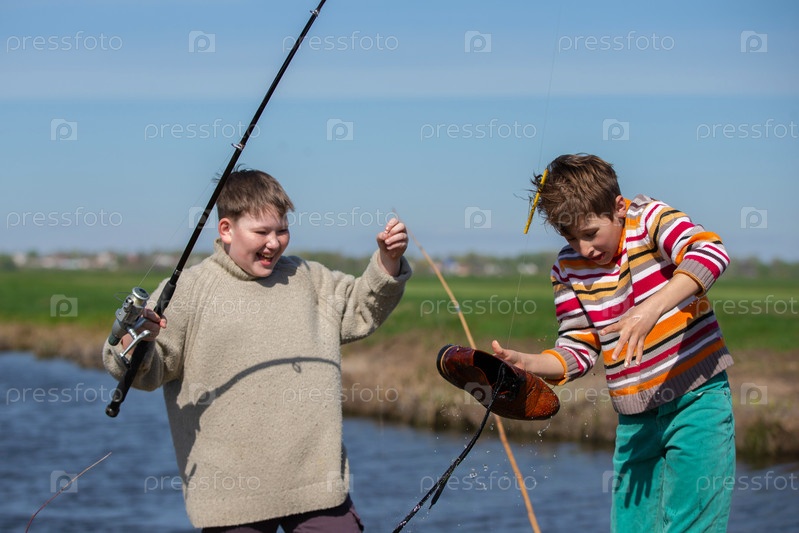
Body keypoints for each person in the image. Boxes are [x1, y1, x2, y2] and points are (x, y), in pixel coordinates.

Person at [102, 169, 411, 532]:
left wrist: (387, 260)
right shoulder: (188, 290)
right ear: (226, 229)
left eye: (282, 230)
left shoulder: (307, 278)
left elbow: (362, 307)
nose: (274, 243)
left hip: (316, 487)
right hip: (229, 498)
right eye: (262, 232)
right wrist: (136, 338)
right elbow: (146, 372)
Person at [492, 154, 735, 532]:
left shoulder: (650, 219)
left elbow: (710, 252)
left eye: (590, 233)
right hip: (635, 419)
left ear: (618, 207)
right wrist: (529, 364)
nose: (584, 248)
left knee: (693, 524)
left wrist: (651, 308)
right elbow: (578, 347)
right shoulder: (567, 268)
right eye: (570, 238)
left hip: (696, 399)